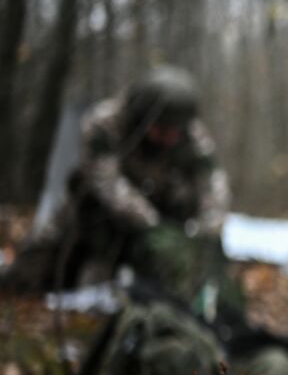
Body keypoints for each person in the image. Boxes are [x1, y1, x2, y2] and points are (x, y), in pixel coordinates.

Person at [3, 66, 232, 304]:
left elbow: (213, 183)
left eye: (175, 131)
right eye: (162, 130)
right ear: (143, 116)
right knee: (30, 271)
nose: (170, 138)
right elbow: (105, 181)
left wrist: (210, 230)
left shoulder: (190, 134)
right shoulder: (106, 123)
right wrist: (150, 224)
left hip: (159, 223)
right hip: (96, 218)